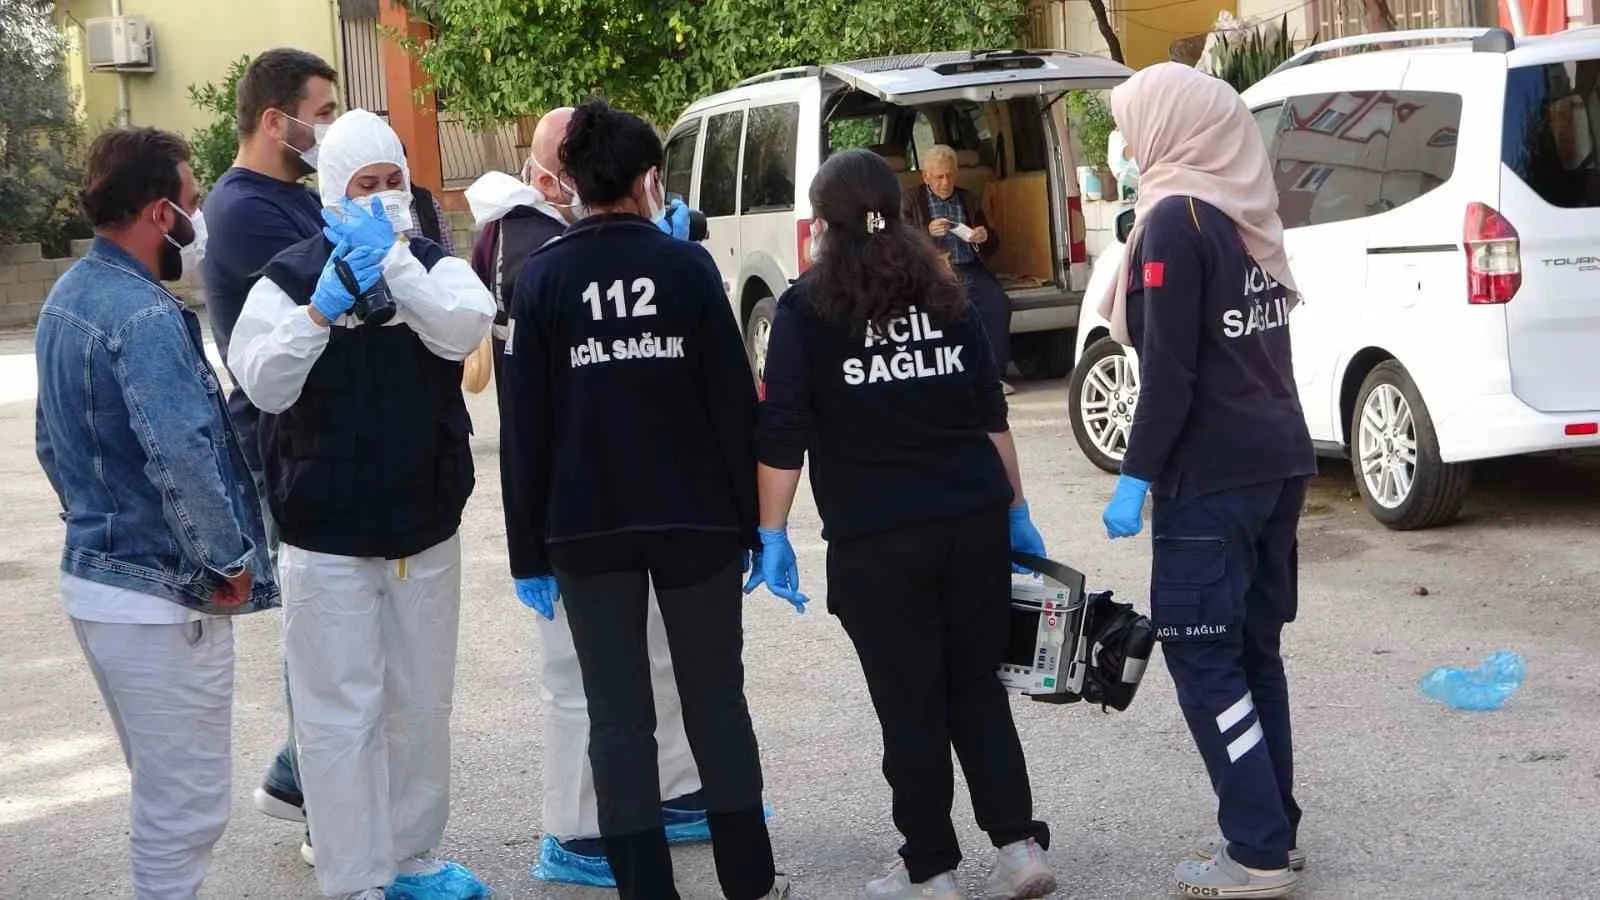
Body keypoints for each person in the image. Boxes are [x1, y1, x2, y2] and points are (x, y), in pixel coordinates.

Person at [500, 99, 788, 900]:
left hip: (585, 526)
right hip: (694, 518)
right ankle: (748, 880)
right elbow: (733, 403)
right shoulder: (686, 268)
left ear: (572, 181)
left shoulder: (542, 277)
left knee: (617, 716)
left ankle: (644, 888)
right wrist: (753, 527)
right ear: (648, 180)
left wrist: (527, 551)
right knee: (714, 700)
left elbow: (525, 429)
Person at [750, 148, 1054, 900]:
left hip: (879, 538)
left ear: (823, 223)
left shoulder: (806, 309)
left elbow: (783, 430)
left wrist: (771, 530)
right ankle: (1018, 849)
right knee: (976, 686)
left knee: (908, 698)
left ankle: (932, 867)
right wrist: (1016, 510)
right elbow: (989, 412)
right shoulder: (946, 293)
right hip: (971, 520)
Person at [227, 109, 496, 900]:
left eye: (392, 182)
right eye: (363, 186)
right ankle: (351, 876)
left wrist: (398, 269)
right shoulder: (287, 279)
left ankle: (412, 856)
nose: (381, 198)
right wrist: (320, 310)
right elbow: (262, 381)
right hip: (325, 535)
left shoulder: (434, 267)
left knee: (420, 703)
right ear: (330, 194)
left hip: (424, 524)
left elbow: (463, 329)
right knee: (337, 714)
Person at [464, 108, 714, 889]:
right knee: (580, 678)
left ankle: (670, 791)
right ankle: (576, 831)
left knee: (655, 658)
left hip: (634, 495)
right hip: (574, 505)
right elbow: (527, 417)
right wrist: (526, 550)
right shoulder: (528, 249)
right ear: (553, 177)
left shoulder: (578, 244)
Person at [35, 126, 279, 899]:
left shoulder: (68, 297)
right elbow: (181, 454)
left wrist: (97, 518)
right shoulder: (142, 316)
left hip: (101, 585)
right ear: (158, 213)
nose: (200, 219)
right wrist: (227, 559)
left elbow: (50, 443)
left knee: (165, 796)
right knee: (186, 811)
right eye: (192, 202)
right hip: (159, 599)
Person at [1094, 63, 1316, 900]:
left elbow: (1171, 375)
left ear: (1169, 129)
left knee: (1203, 657)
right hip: (1278, 459)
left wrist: (1134, 476)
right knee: (1254, 652)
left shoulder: (1175, 222)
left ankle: (1256, 852)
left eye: (1130, 128)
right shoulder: (1244, 213)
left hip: (1214, 477)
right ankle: (1274, 830)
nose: (1125, 147)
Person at [199, 46, 340, 834]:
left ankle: (295, 774)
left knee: (330, 626)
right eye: (322, 114)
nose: (330, 129)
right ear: (275, 120)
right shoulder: (244, 211)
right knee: (321, 630)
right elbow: (340, 306)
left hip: (324, 439)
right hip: (284, 445)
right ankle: (325, 806)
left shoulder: (295, 199)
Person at [902, 144, 1013, 393]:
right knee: (945, 310)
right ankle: (951, 377)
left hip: (970, 267)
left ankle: (993, 377)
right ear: (926, 176)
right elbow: (898, 241)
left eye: (950, 175)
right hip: (932, 271)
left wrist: (984, 236)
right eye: (939, 176)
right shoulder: (909, 200)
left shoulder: (968, 199)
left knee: (997, 304)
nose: (945, 182)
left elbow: (992, 242)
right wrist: (926, 233)